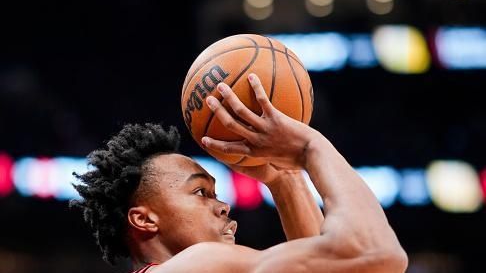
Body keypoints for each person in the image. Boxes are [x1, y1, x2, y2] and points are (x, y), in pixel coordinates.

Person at [72, 73, 408, 273]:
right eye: (200, 192)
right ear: (144, 220)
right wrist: (310, 146)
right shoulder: (197, 264)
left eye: (216, 194)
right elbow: (376, 255)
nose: (223, 206)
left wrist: (283, 177)